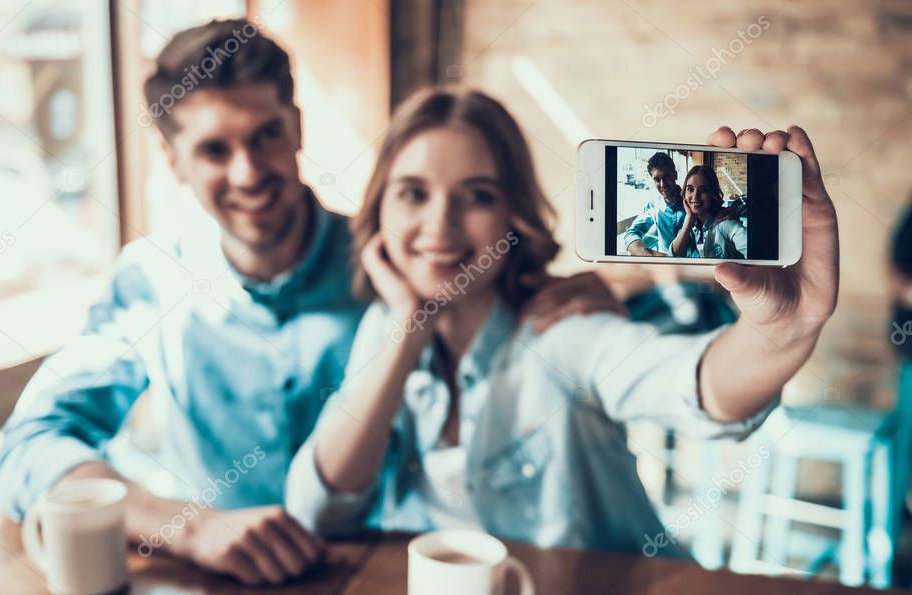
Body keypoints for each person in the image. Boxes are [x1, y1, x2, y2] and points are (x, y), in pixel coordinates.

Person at [0, 20, 618, 585]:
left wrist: (601, 289)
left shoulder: (403, 263)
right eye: (214, 150)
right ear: (172, 161)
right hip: (214, 594)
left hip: (390, 588)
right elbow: (35, 443)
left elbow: (514, 305)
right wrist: (191, 528)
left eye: (266, 136)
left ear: (297, 127)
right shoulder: (151, 282)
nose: (247, 173)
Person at [284, 88, 839, 557]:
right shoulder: (384, 325)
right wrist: (406, 330)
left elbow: (695, 386)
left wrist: (779, 333)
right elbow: (316, 509)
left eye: (477, 196)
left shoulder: (560, 327)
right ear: (379, 206)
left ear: (513, 215)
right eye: (413, 193)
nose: (439, 223)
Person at [671, 165, 748, 259]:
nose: (695, 196)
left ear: (713, 193)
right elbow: (673, 256)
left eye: (703, 190)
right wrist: (689, 218)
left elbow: (757, 254)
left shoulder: (725, 222)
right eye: (690, 189)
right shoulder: (692, 226)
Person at [623, 152, 686, 256]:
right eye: (657, 179)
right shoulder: (654, 204)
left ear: (675, 175)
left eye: (666, 177)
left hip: (691, 263)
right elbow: (631, 234)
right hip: (664, 263)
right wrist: (651, 256)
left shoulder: (693, 201)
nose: (663, 184)